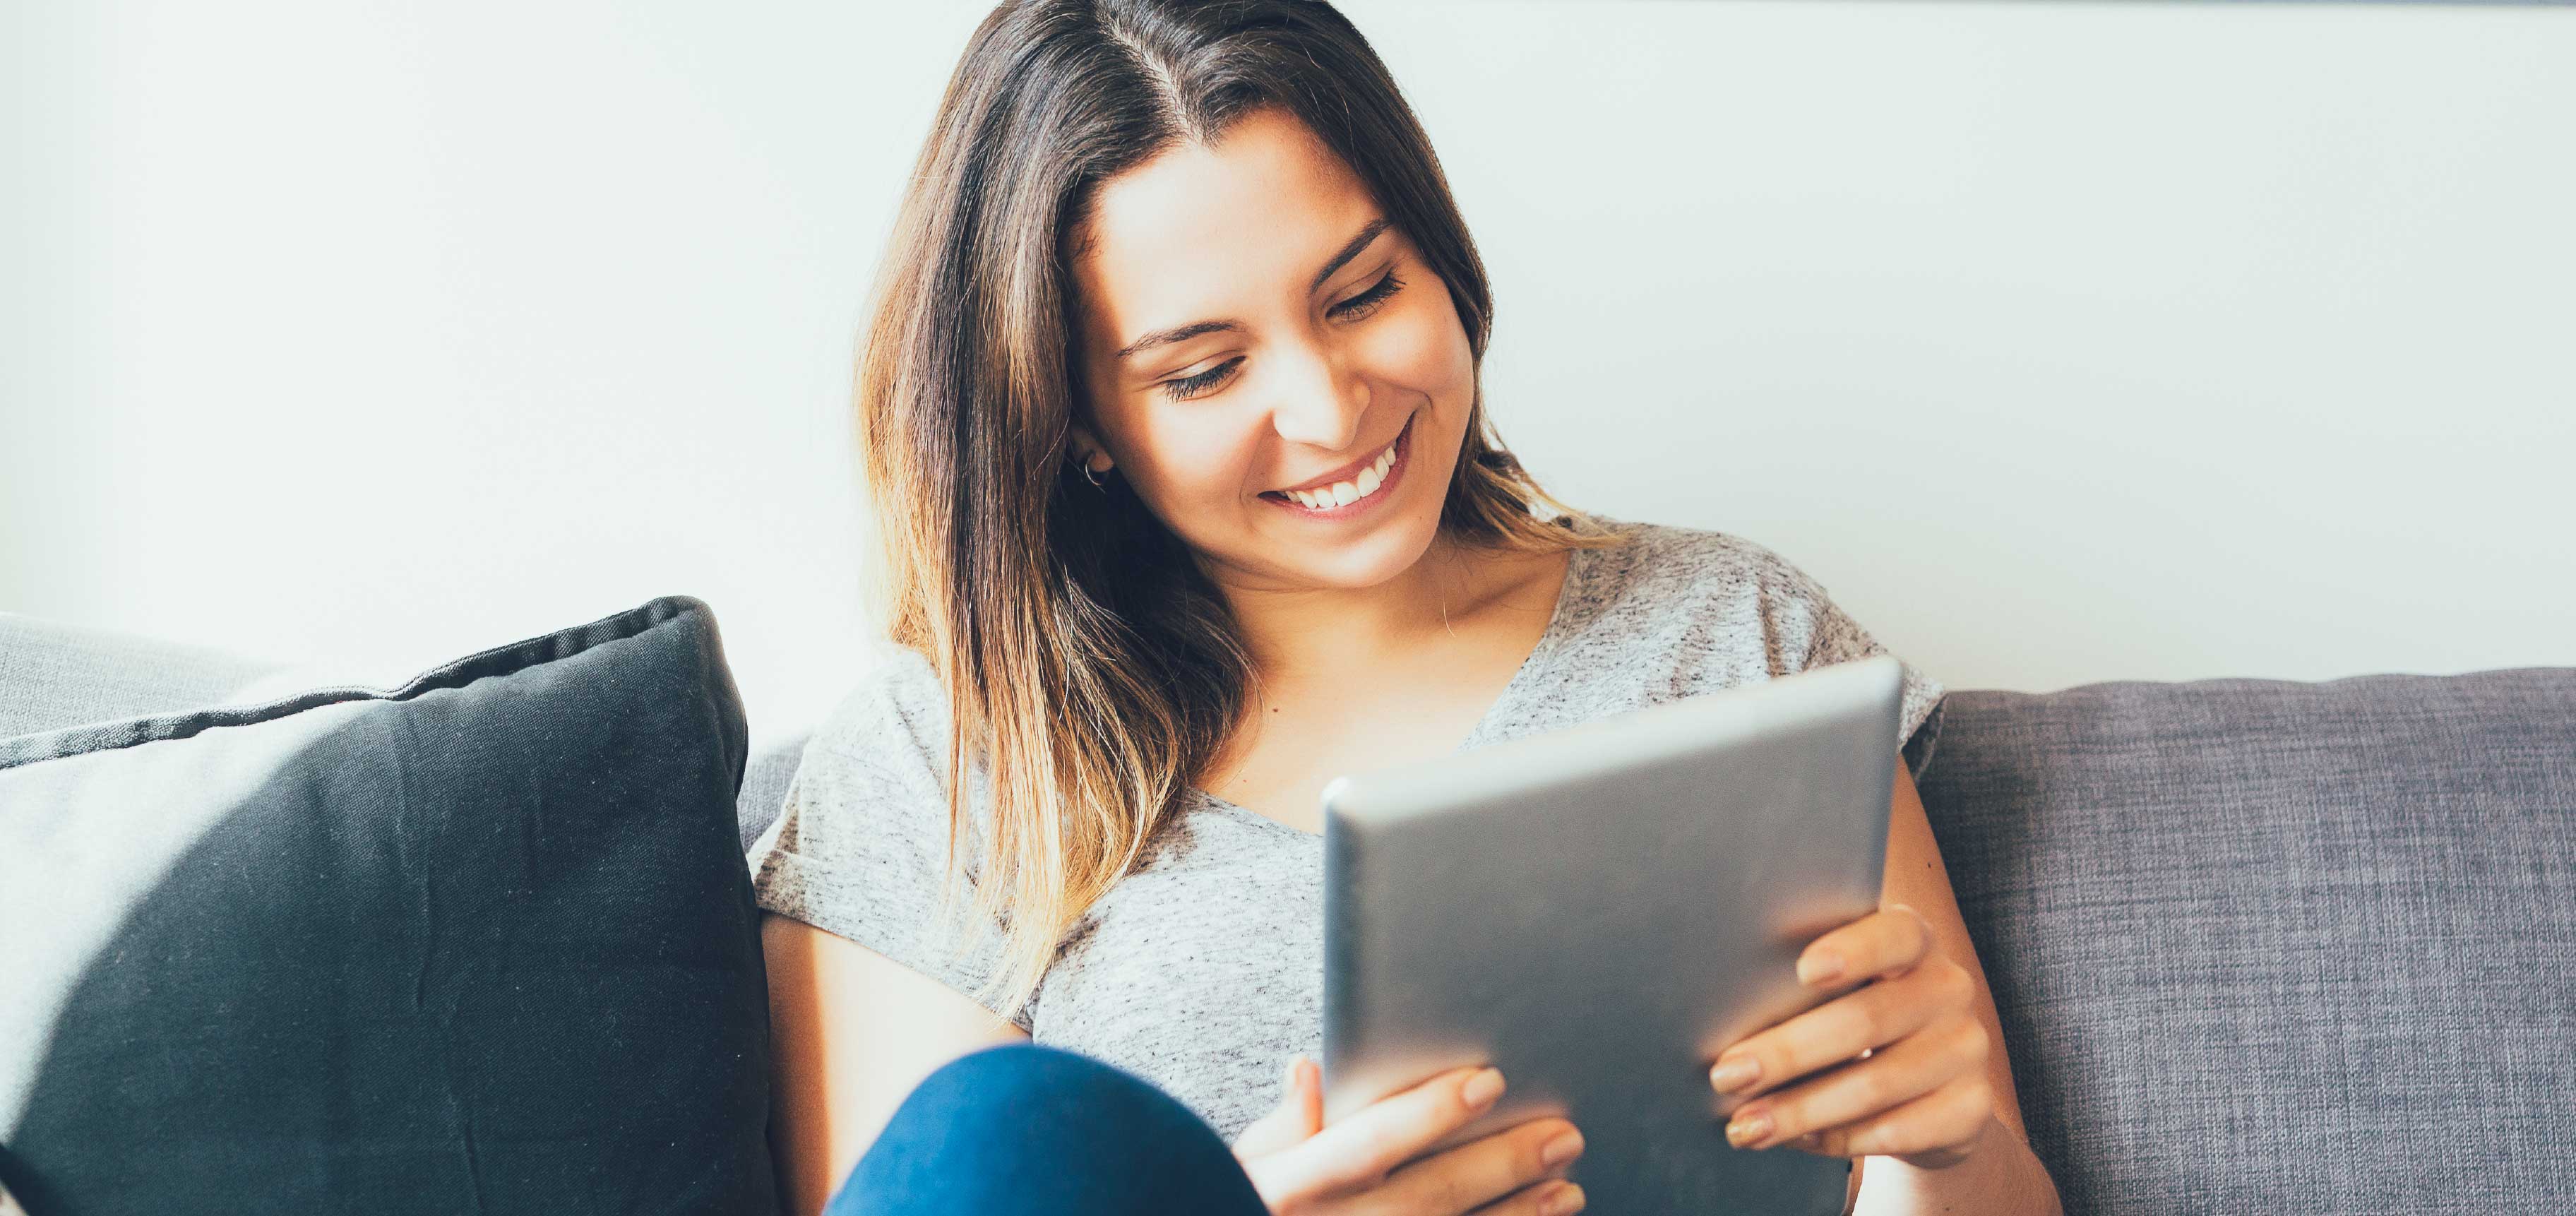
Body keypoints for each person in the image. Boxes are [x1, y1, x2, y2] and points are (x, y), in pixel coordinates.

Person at [749, 2, 2066, 1213]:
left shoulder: (1731, 638)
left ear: (1438, 261)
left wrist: (1944, 1146)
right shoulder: (946, 765)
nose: (1331, 410)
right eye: (1205, 371)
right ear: (1077, 419)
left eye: (1364, 292)